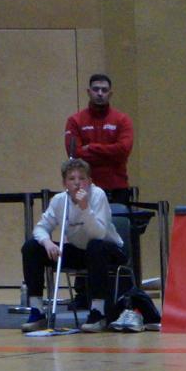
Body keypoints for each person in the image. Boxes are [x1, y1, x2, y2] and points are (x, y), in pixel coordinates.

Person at [20, 158, 135, 333]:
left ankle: (98, 312)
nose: (77, 183)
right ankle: (37, 311)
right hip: (80, 251)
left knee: (95, 246)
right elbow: (41, 228)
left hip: (108, 250)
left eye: (81, 178)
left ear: (89, 181)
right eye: (71, 179)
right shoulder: (59, 200)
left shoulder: (98, 195)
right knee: (31, 247)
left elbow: (98, 234)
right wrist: (47, 242)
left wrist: (85, 208)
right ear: (64, 183)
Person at [64, 73, 134, 206]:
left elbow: (123, 151)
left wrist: (91, 148)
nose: (100, 93)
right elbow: (75, 155)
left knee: (118, 220)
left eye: (104, 90)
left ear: (110, 94)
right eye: (96, 89)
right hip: (85, 189)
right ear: (88, 92)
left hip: (117, 189)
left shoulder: (123, 120)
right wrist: (111, 153)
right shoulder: (75, 121)